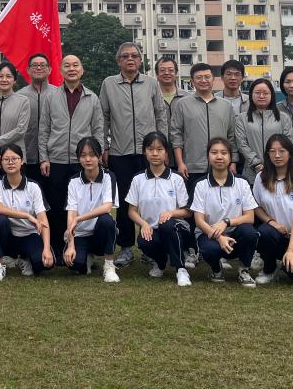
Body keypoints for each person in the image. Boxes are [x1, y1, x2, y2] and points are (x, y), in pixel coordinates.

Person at [99, 42, 167, 267]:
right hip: (120, 151)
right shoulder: (109, 84)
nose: (130, 59)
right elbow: (103, 117)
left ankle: (150, 246)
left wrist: (162, 147)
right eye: (125, 56)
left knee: (150, 200)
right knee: (125, 202)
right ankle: (126, 247)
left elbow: (160, 114)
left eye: (134, 56)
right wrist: (104, 147)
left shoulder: (151, 83)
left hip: (149, 153)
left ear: (140, 60)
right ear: (118, 61)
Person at [169, 62, 237, 268]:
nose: (204, 80)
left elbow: (231, 137)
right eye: (199, 77)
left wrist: (233, 162)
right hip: (193, 165)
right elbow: (176, 135)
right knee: (193, 210)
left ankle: (220, 249)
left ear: (213, 79)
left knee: (220, 208)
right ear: (192, 81)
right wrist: (180, 162)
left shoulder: (225, 106)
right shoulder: (183, 104)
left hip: (221, 167)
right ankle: (192, 250)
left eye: (207, 77)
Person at [39, 54, 104, 258]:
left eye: (76, 65)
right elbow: (44, 129)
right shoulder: (51, 96)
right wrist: (44, 157)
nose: (71, 69)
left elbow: (98, 130)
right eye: (67, 65)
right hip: (56, 159)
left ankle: (84, 248)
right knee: (57, 205)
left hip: (82, 161)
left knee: (82, 207)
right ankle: (58, 248)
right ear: (61, 71)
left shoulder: (92, 98)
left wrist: (96, 159)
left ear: (82, 70)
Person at [190, 137, 259, 287]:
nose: (219, 157)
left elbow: (250, 217)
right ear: (208, 156)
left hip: (235, 234)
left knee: (249, 232)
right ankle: (216, 269)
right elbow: (199, 221)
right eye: (214, 152)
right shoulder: (200, 185)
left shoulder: (242, 183)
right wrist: (219, 237)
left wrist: (226, 222)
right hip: (208, 233)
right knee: (210, 249)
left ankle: (244, 270)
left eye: (224, 153)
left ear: (230, 157)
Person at [126, 132, 192, 286]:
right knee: (144, 241)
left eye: (159, 149)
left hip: (176, 228)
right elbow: (131, 211)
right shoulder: (138, 179)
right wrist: (143, 224)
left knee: (168, 225)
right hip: (152, 229)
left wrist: (171, 213)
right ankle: (160, 262)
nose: (155, 153)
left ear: (166, 152)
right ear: (144, 152)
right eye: (150, 149)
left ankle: (181, 269)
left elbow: (187, 211)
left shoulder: (176, 178)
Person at [252, 134, 293, 284]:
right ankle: (269, 269)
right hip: (275, 233)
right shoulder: (261, 178)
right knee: (265, 232)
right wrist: (272, 222)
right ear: (268, 155)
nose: (277, 155)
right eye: (272, 151)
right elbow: (256, 206)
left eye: (282, 151)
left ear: (290, 153)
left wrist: (292, 250)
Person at [0, 143, 54, 281]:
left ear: (22, 161)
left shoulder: (33, 186)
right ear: (1, 162)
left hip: (29, 234)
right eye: (6, 159)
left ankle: (22, 259)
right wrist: (27, 215)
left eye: (14, 159)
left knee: (45, 264)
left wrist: (46, 248)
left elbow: (43, 220)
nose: (10, 162)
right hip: (7, 235)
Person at [62, 137, 120, 283]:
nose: (88, 159)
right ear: (78, 158)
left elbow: (107, 207)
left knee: (107, 221)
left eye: (92, 155)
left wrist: (79, 218)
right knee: (74, 264)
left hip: (99, 233)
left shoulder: (109, 177)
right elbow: (71, 214)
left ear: (99, 156)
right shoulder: (73, 181)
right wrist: (71, 245)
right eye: (83, 155)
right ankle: (87, 257)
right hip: (80, 234)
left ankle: (109, 266)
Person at [235, 78, 293, 184]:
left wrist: (274, 163)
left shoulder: (283, 117)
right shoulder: (242, 118)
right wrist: (256, 164)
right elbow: (241, 144)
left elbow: (289, 141)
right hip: (252, 173)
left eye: (266, 93)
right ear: (251, 95)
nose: (261, 96)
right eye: (257, 93)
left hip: (279, 171)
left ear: (272, 95)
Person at [17, 53, 58, 185]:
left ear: (50, 69)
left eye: (42, 65)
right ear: (28, 70)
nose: (39, 68)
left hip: (53, 158)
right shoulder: (19, 96)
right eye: (34, 65)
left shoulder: (59, 94)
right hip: (26, 158)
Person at [156, 57, 188, 126]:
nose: (167, 73)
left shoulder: (187, 98)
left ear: (176, 73)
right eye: (162, 70)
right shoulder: (151, 98)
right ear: (157, 74)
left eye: (170, 70)